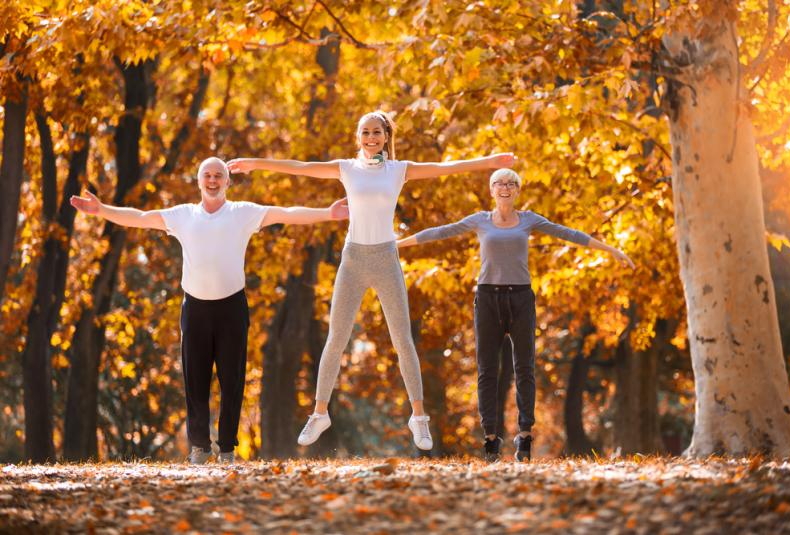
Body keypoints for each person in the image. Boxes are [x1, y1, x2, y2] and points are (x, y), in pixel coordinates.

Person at [227, 110, 515, 451]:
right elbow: (299, 166)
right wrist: (254, 163)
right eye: (365, 132)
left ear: (386, 136)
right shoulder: (346, 168)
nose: (371, 138)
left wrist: (490, 162)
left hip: (385, 258)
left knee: (402, 339)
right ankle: (320, 413)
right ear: (358, 136)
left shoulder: (399, 170)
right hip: (353, 258)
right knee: (336, 337)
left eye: (376, 132)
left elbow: (445, 168)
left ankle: (419, 417)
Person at [70, 157, 348, 465]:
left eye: (219, 175)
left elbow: (287, 213)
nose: (213, 180)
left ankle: (227, 449)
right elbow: (139, 216)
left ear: (228, 182)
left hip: (232, 308)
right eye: (207, 175)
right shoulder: (183, 216)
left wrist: (329, 213)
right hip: (196, 309)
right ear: (199, 182)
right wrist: (102, 210)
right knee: (196, 383)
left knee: (232, 382)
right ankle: (199, 448)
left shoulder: (243, 213)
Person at [397, 168, 633, 461]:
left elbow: (569, 233)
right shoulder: (480, 220)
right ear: (491, 189)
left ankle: (524, 436)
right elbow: (440, 232)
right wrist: (396, 244)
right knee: (486, 369)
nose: (505, 187)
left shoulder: (530, 219)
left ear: (518, 190)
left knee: (524, 367)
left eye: (511, 183)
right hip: (487, 299)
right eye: (499, 183)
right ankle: (491, 439)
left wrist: (611, 250)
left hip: (521, 298)